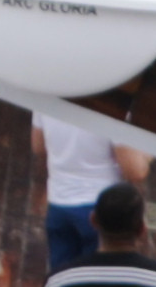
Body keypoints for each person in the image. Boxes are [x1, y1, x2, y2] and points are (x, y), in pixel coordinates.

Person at [39, 117, 148, 277]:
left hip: (58, 205)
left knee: (61, 280)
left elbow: (38, 145)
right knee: (98, 282)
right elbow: (135, 171)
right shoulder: (112, 109)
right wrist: (147, 155)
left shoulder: (47, 94)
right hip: (101, 208)